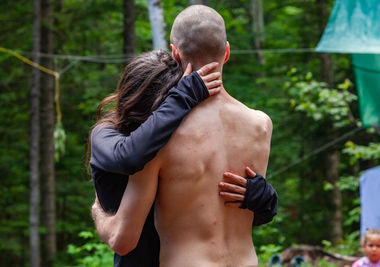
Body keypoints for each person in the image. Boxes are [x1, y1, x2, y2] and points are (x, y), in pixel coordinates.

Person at [91, 5, 275, 266]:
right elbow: (245, 208)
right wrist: (269, 201)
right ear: (227, 52)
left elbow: (124, 239)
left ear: (175, 53)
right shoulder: (261, 125)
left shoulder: (159, 134)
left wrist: (98, 210)